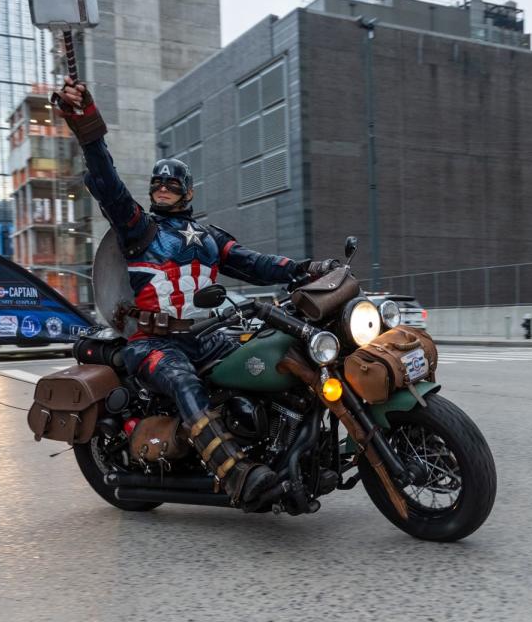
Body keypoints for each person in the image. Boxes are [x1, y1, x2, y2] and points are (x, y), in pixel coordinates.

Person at [54, 76, 333, 508]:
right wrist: (86, 125)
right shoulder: (138, 228)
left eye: (172, 185)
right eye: (157, 185)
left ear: (188, 191)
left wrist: (306, 269)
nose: (163, 190)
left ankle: (279, 445)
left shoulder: (209, 237)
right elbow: (108, 182)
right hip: (153, 343)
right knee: (183, 381)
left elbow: (255, 263)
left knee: (274, 358)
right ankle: (239, 476)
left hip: (209, 335)